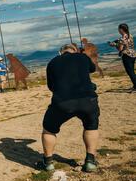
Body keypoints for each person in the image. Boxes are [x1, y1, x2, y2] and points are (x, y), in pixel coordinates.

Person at [40, 44, 100, 172]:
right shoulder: (82, 57)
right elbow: (92, 69)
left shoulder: (52, 62)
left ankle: (48, 162)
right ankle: (90, 161)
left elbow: (51, 87)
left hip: (62, 102)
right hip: (88, 100)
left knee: (49, 129)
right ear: (75, 51)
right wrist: (84, 55)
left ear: (61, 52)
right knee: (91, 126)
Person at [109, 23, 136, 92]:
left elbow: (120, 49)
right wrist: (116, 43)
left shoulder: (122, 38)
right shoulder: (130, 35)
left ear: (121, 29)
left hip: (127, 55)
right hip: (133, 54)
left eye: (118, 29)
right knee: (132, 71)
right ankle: (135, 86)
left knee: (130, 72)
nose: (118, 30)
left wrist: (114, 45)